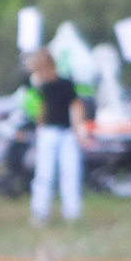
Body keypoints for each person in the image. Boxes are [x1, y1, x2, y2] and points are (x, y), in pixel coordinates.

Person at [26, 47, 90, 228]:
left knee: (70, 173)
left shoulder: (65, 84)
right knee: (44, 174)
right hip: (47, 132)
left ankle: (72, 213)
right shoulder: (40, 87)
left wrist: (80, 130)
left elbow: (76, 106)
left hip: (66, 132)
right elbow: (40, 110)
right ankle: (40, 212)